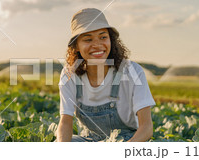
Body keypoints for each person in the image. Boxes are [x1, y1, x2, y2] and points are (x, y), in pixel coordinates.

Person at [56, 8, 156, 142]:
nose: (97, 45)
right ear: (76, 46)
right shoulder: (69, 75)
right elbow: (65, 122)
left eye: (103, 37)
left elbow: (147, 127)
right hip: (89, 140)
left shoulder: (133, 71)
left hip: (129, 140)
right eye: (88, 39)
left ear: (111, 40)